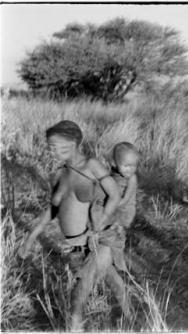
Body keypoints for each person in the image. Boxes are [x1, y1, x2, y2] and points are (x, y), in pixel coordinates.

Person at [18, 120, 130, 330]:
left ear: (74, 142)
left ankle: (75, 328)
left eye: (56, 146)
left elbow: (114, 194)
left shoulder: (91, 166)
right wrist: (31, 237)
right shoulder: (60, 174)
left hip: (100, 238)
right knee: (114, 283)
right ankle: (132, 319)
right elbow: (52, 209)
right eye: (49, 146)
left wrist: (102, 220)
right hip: (76, 246)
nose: (51, 151)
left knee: (78, 294)